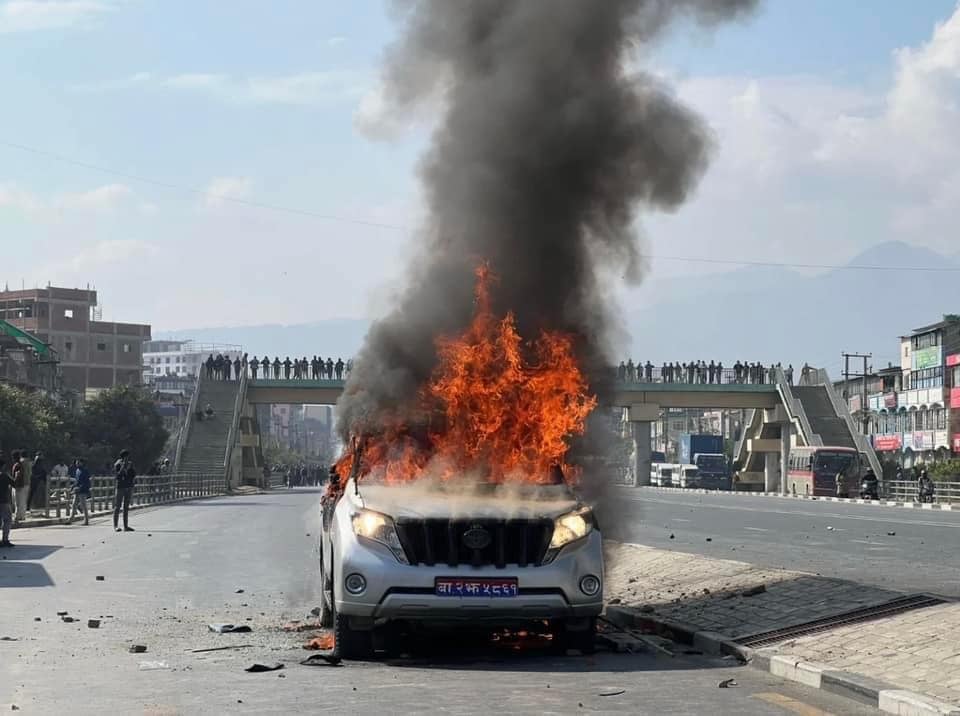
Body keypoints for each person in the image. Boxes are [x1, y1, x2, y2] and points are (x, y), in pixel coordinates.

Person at [113, 449, 136, 532]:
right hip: (120, 487)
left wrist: (130, 469)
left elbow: (133, 475)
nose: (127, 458)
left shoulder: (130, 464)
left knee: (126, 507)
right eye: (126, 456)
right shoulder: (117, 464)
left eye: (128, 457)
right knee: (117, 507)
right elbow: (117, 476)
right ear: (123, 457)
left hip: (128, 487)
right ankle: (115, 526)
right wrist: (122, 468)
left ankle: (126, 526)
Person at [67, 458, 92, 526]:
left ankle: (86, 521)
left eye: (78, 462)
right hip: (77, 490)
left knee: (83, 505)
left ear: (82, 463)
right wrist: (72, 487)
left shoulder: (85, 471)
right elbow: (77, 481)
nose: (77, 464)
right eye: (76, 462)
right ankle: (71, 519)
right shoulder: (77, 470)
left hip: (83, 491)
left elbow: (86, 482)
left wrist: (80, 488)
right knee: (74, 505)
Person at [0, 456, 15, 547]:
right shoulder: (4, 475)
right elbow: (14, 484)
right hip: (4, 501)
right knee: (7, 520)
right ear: (3, 466)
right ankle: (5, 539)